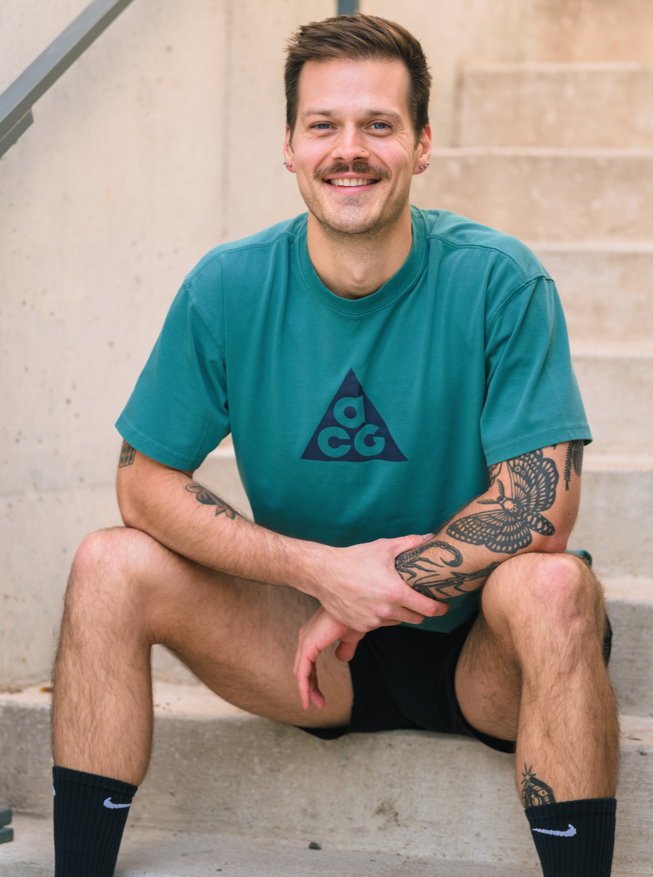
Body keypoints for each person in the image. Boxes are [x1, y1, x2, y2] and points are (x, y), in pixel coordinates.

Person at [51, 13, 619, 877]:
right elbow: (145, 485)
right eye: (324, 125)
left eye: (378, 126)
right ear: (289, 144)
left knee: (553, 583)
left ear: (421, 145)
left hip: (483, 654)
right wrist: (318, 572)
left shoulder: (498, 279)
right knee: (106, 563)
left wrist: (373, 585)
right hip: (310, 659)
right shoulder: (228, 286)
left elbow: (539, 504)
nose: (348, 149)